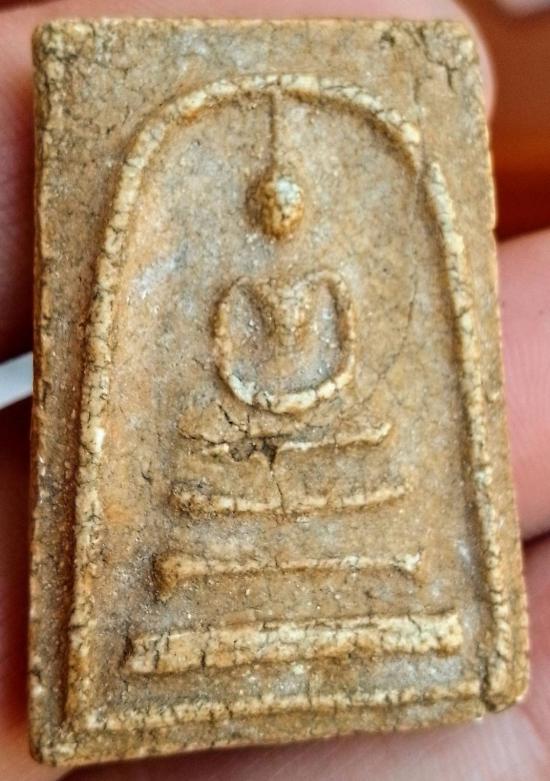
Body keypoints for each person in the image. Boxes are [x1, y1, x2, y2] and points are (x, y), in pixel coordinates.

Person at [0, 1, 548, 779]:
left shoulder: (324, 280)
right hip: (242, 414)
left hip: (323, 415)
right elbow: (225, 357)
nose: (282, 216)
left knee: (366, 455)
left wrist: (309, 404)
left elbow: (344, 358)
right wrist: (253, 403)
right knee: (202, 470)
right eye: (273, 204)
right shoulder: (239, 285)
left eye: (290, 204)